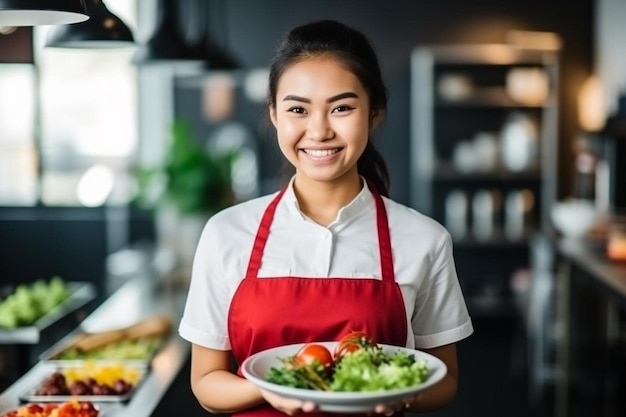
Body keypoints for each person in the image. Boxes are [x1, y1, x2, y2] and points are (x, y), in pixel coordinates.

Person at [178, 19, 474, 417]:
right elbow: (206, 383)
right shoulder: (226, 233)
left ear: (374, 113)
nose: (318, 130)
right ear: (274, 114)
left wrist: (398, 394)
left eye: (342, 108)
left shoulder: (424, 239)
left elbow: (447, 382)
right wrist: (268, 391)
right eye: (298, 109)